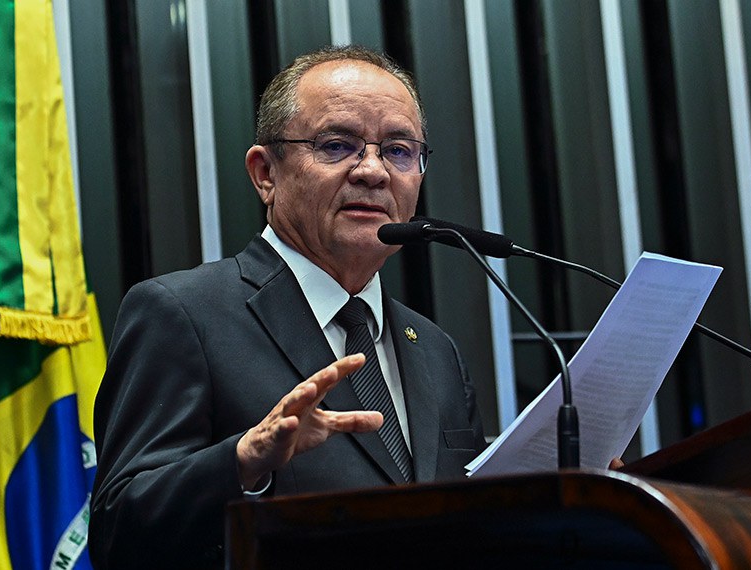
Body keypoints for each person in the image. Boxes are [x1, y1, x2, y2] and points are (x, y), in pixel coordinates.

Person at [88, 46, 485, 569]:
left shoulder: (435, 349)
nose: (373, 171)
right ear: (265, 174)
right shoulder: (181, 314)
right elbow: (118, 532)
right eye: (337, 145)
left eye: (398, 150)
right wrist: (243, 462)